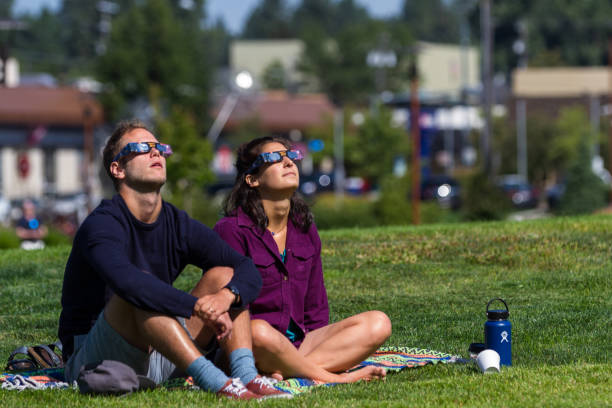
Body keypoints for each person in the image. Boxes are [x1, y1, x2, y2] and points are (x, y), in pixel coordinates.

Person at [57, 120, 290, 400]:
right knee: (137, 291)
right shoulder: (102, 225)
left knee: (225, 276)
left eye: (159, 148)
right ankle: (218, 384)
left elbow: (246, 268)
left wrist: (226, 298)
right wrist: (196, 307)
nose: (156, 153)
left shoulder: (175, 222)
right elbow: (129, 284)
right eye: (142, 148)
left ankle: (246, 377)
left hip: (161, 348)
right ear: (117, 169)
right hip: (96, 359)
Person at [214, 136, 392, 383]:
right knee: (260, 332)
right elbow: (229, 312)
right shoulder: (231, 230)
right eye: (274, 158)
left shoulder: (303, 228)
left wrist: (321, 340)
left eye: (290, 156)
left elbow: (315, 307)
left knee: (379, 323)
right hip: (251, 344)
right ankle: (331, 377)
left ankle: (288, 372)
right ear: (252, 179)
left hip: (298, 343)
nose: (288, 162)